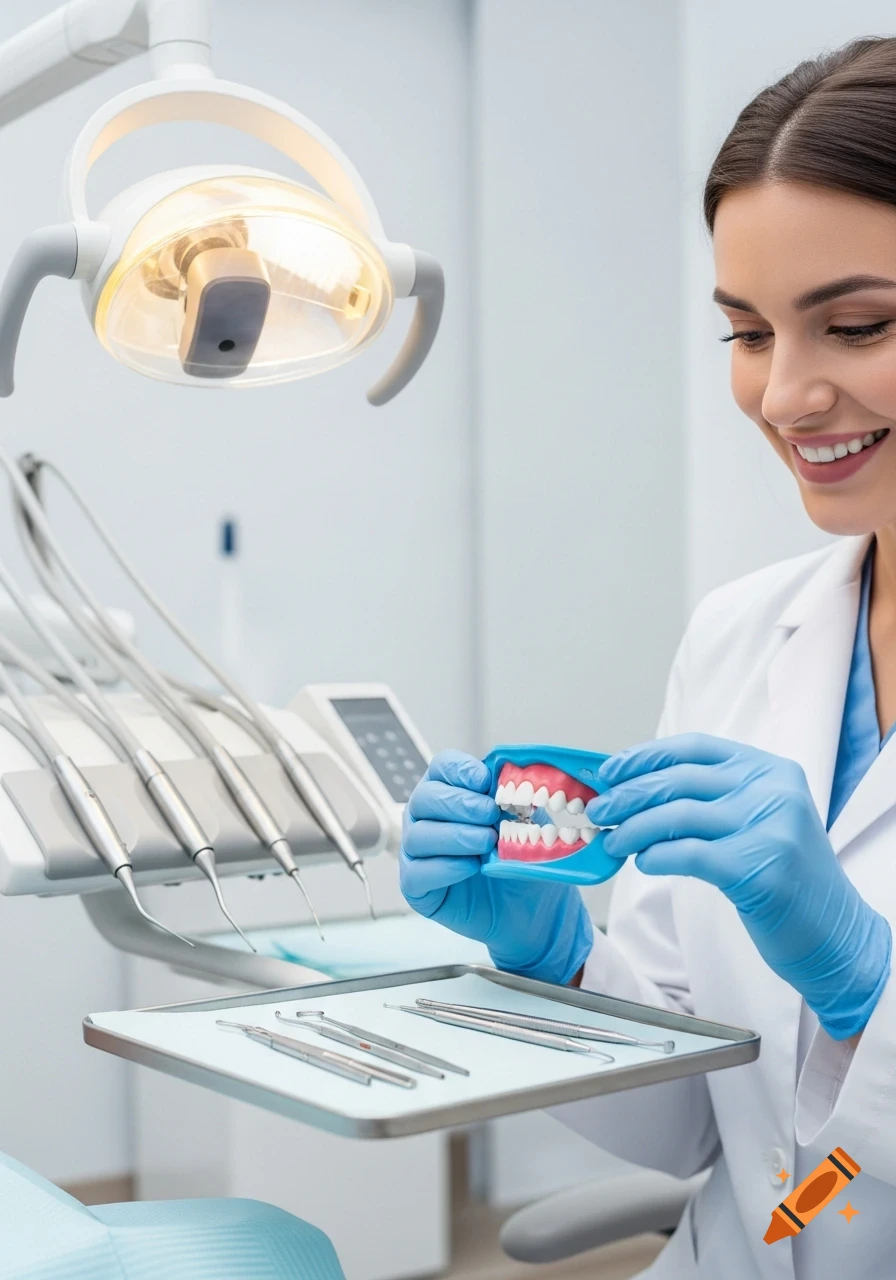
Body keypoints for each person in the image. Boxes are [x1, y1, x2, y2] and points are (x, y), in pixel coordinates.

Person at [400, 38, 896, 1280]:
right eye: (744, 332)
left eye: (853, 325)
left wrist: (863, 981)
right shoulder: (739, 634)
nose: (783, 395)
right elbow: (687, 1123)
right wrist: (554, 954)